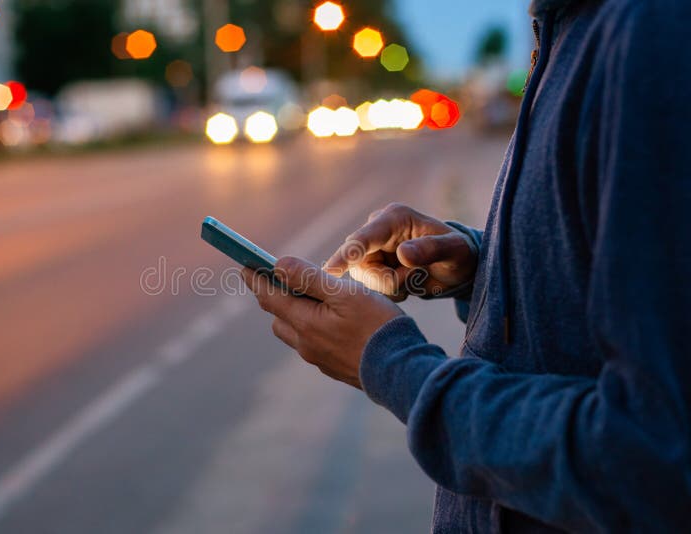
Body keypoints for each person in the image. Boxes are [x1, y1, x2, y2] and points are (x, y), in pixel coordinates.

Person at [242, 0, 691, 531]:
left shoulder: (650, 32)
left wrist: (392, 364)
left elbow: (652, 459)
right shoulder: (569, 27)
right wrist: (486, 268)